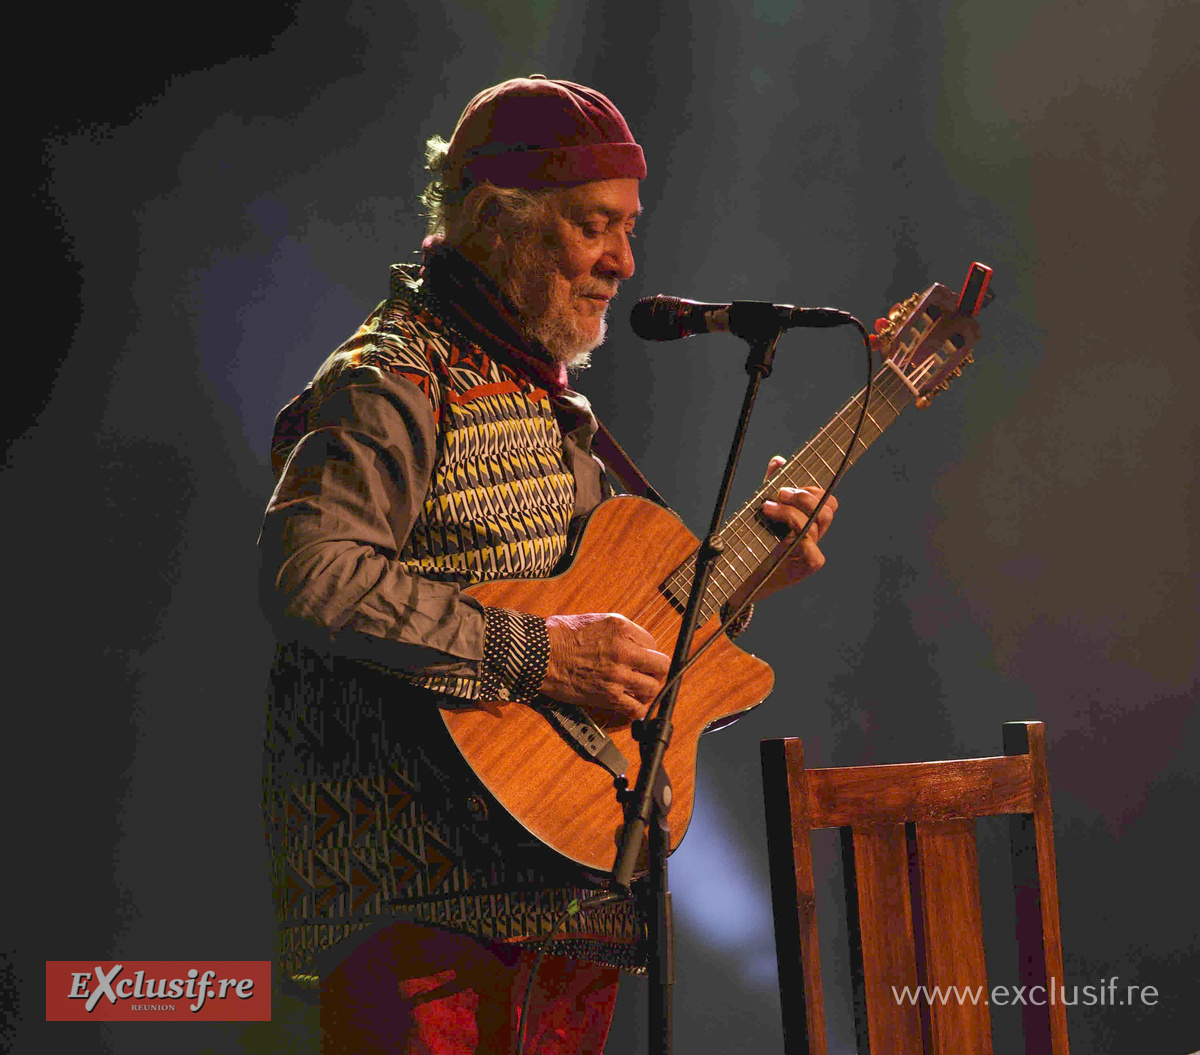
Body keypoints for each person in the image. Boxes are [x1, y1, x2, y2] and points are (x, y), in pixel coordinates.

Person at [257, 74, 838, 1054]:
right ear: (495, 218)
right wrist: (540, 655)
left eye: (627, 227)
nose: (623, 259)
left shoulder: (548, 402)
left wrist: (749, 579)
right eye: (592, 225)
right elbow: (310, 573)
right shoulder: (389, 376)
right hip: (419, 898)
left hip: (564, 883)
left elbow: (615, 623)